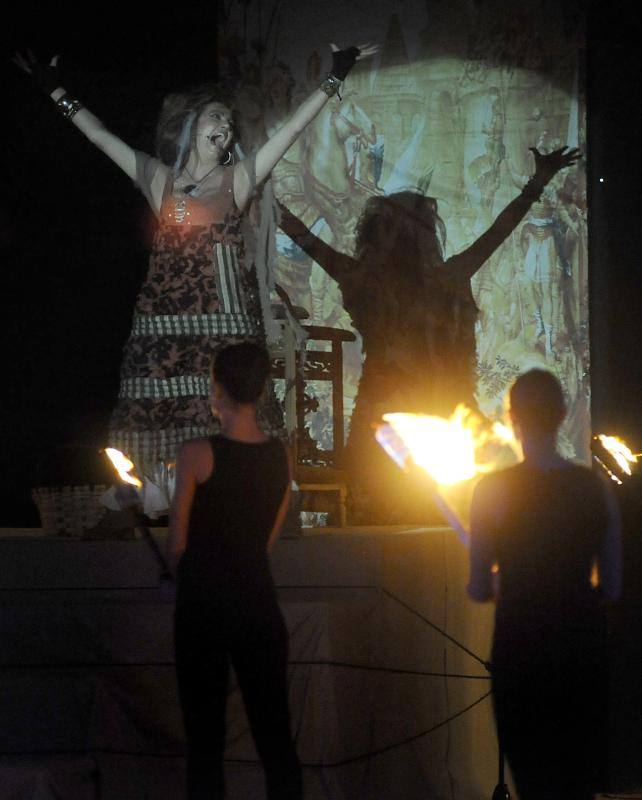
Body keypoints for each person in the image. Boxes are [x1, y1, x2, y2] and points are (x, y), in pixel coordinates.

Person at [14, 44, 376, 516]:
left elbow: (289, 131)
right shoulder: (158, 178)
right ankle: (155, 491)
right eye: (214, 118)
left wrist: (334, 78)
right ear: (190, 126)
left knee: (228, 403)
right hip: (163, 319)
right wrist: (52, 86)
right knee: (156, 401)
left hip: (223, 318)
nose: (224, 127)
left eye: (228, 122)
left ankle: (250, 489)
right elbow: (100, 137)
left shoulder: (238, 180)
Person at [277, 147, 580, 523]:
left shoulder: (367, 278)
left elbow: (306, 239)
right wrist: (537, 182)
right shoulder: (441, 278)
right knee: (424, 519)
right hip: (426, 414)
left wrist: (262, 201)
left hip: (390, 416)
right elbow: (497, 233)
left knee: (383, 517)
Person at [468, 369, 622, 800]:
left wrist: (507, 580)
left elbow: (478, 588)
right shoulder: (594, 488)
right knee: (579, 782)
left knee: (534, 783)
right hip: (581, 651)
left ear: (512, 416)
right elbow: (611, 586)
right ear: (562, 415)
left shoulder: (492, 492)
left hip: (521, 651)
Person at [166, 341, 300, 799]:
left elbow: (177, 544)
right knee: (276, 739)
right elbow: (265, 542)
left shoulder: (195, 454)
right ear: (262, 389)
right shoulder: (281, 456)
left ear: (216, 388)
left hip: (203, 610)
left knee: (205, 744)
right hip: (258, 607)